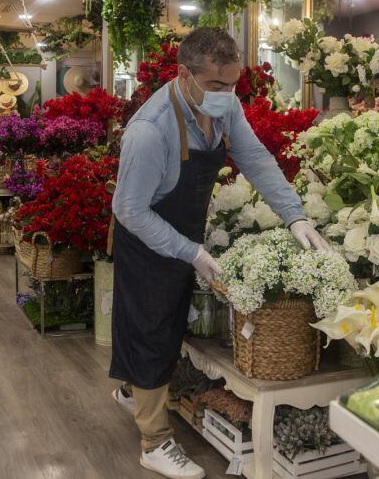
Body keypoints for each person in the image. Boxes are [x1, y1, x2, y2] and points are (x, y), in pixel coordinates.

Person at [110, 28, 331, 479]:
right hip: (146, 234)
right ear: (183, 76)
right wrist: (188, 250)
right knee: (149, 326)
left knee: (172, 321)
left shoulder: (225, 108)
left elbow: (256, 159)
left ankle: (136, 392)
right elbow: (129, 209)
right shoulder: (150, 131)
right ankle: (154, 441)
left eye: (232, 85)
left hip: (186, 228)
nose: (226, 95)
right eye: (215, 85)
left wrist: (296, 217)